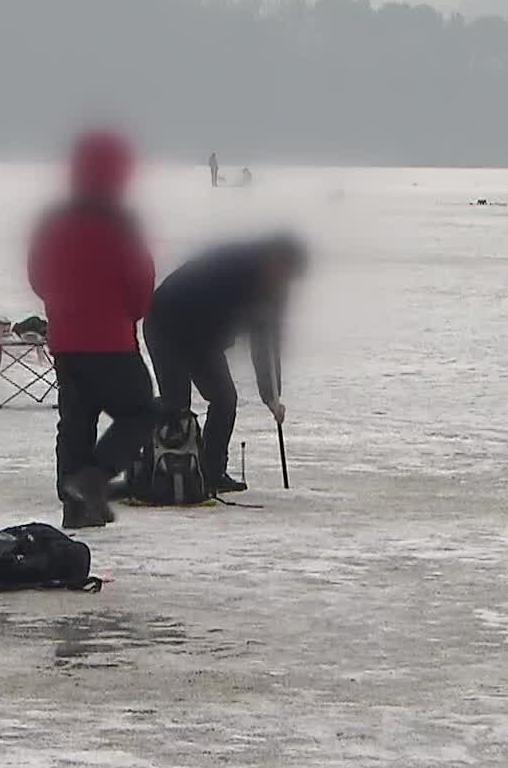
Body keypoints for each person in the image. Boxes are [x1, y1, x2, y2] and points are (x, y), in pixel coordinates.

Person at [28, 130, 159, 529]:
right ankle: (94, 478)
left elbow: (37, 276)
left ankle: (76, 505)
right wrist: (128, 315)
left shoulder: (54, 219)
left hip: (66, 339)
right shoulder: (120, 222)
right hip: (110, 338)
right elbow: (140, 281)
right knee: (141, 412)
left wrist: (62, 307)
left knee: (76, 421)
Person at [143, 235, 308, 494]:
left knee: (224, 399)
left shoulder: (271, 288)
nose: (283, 284)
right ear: (273, 261)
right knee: (177, 405)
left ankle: (211, 471)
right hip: (166, 324)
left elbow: (266, 341)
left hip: (204, 338)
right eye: (282, 275)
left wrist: (271, 396)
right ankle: (161, 470)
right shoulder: (231, 268)